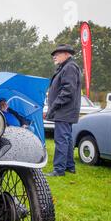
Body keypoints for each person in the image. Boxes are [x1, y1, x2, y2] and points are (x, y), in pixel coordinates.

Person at [45, 44, 82, 177]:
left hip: (64, 110)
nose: (54, 56)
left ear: (67, 54)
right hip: (65, 110)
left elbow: (68, 91)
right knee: (66, 139)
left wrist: (54, 106)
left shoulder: (69, 67)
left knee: (61, 139)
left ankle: (59, 170)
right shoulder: (66, 66)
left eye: (58, 53)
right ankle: (69, 167)